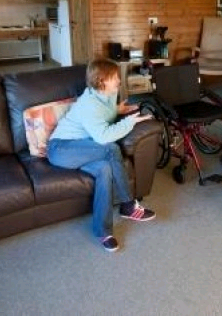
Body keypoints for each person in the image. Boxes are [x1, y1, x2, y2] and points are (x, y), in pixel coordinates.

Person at [47, 58, 155, 252]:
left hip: (84, 148)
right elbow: (103, 137)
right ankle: (128, 205)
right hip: (62, 149)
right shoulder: (89, 103)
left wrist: (117, 111)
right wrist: (130, 122)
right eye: (114, 77)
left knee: (105, 170)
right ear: (101, 80)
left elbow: (103, 116)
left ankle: (103, 231)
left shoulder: (107, 95)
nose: (119, 81)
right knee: (111, 149)